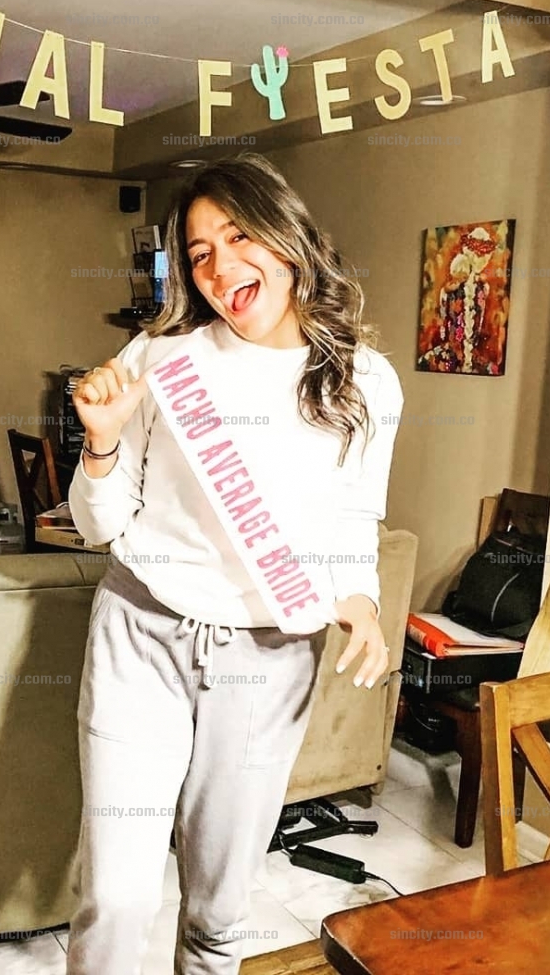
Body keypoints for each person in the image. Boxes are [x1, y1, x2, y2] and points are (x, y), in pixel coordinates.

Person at [65, 153, 403, 975]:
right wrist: (100, 443)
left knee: (219, 911)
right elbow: (98, 524)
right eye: (200, 252)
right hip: (140, 635)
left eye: (238, 236)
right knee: (117, 897)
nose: (218, 267)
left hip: (268, 655)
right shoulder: (162, 357)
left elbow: (355, 515)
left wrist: (359, 598)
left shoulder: (365, 380)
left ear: (287, 238)